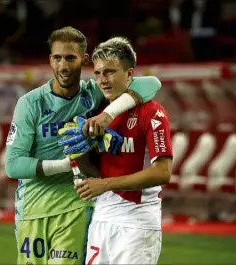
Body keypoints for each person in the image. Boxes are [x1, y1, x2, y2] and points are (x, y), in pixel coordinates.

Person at [5, 26, 161, 265]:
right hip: (33, 209)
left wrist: (106, 115)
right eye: (57, 58)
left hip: (77, 206)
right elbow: (13, 166)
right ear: (50, 60)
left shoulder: (94, 93)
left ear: (84, 60)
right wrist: (67, 164)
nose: (63, 66)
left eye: (70, 58)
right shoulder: (30, 103)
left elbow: (151, 83)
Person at [73, 37, 173, 264]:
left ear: (129, 74)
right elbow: (99, 171)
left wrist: (105, 184)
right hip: (102, 217)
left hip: (137, 222)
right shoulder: (96, 114)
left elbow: (163, 173)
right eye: (97, 73)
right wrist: (78, 153)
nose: (102, 80)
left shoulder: (152, 112)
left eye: (110, 72)